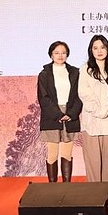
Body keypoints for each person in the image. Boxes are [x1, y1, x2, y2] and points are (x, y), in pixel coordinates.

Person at [37, 41, 82, 183]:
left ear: (67, 54)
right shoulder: (44, 74)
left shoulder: (75, 73)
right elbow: (43, 98)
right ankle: (53, 187)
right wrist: (58, 114)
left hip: (70, 115)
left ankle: (66, 186)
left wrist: (71, 114)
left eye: (63, 53)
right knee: (52, 153)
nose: (60, 55)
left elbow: (79, 96)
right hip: (51, 116)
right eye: (56, 53)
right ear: (51, 55)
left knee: (67, 153)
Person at [78, 35, 108, 183]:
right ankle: (94, 193)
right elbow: (84, 92)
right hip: (91, 119)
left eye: (102, 47)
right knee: (92, 162)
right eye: (95, 48)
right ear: (91, 50)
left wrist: (107, 110)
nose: (99, 51)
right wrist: (97, 110)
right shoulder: (85, 69)